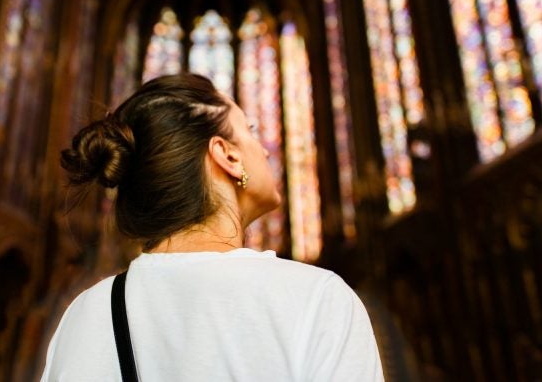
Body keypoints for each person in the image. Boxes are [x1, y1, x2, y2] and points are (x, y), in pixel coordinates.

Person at [40, 73, 384, 381]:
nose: (263, 149)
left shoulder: (84, 315)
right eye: (249, 130)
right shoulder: (317, 300)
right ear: (228, 156)